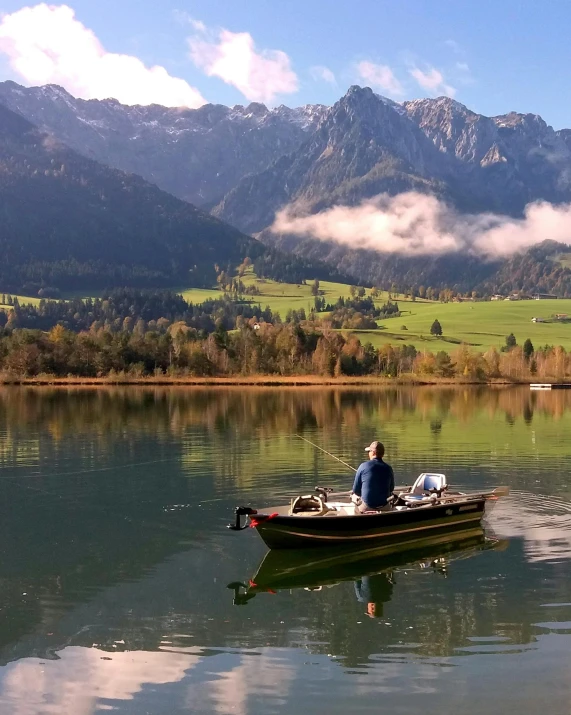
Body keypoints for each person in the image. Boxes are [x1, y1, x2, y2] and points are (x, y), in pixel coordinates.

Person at [351, 440, 395, 513]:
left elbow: (356, 491)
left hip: (367, 508)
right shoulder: (388, 468)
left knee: (353, 496)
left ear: (373, 453)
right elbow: (391, 489)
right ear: (382, 454)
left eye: (369, 451)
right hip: (384, 507)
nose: (368, 453)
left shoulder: (363, 466)